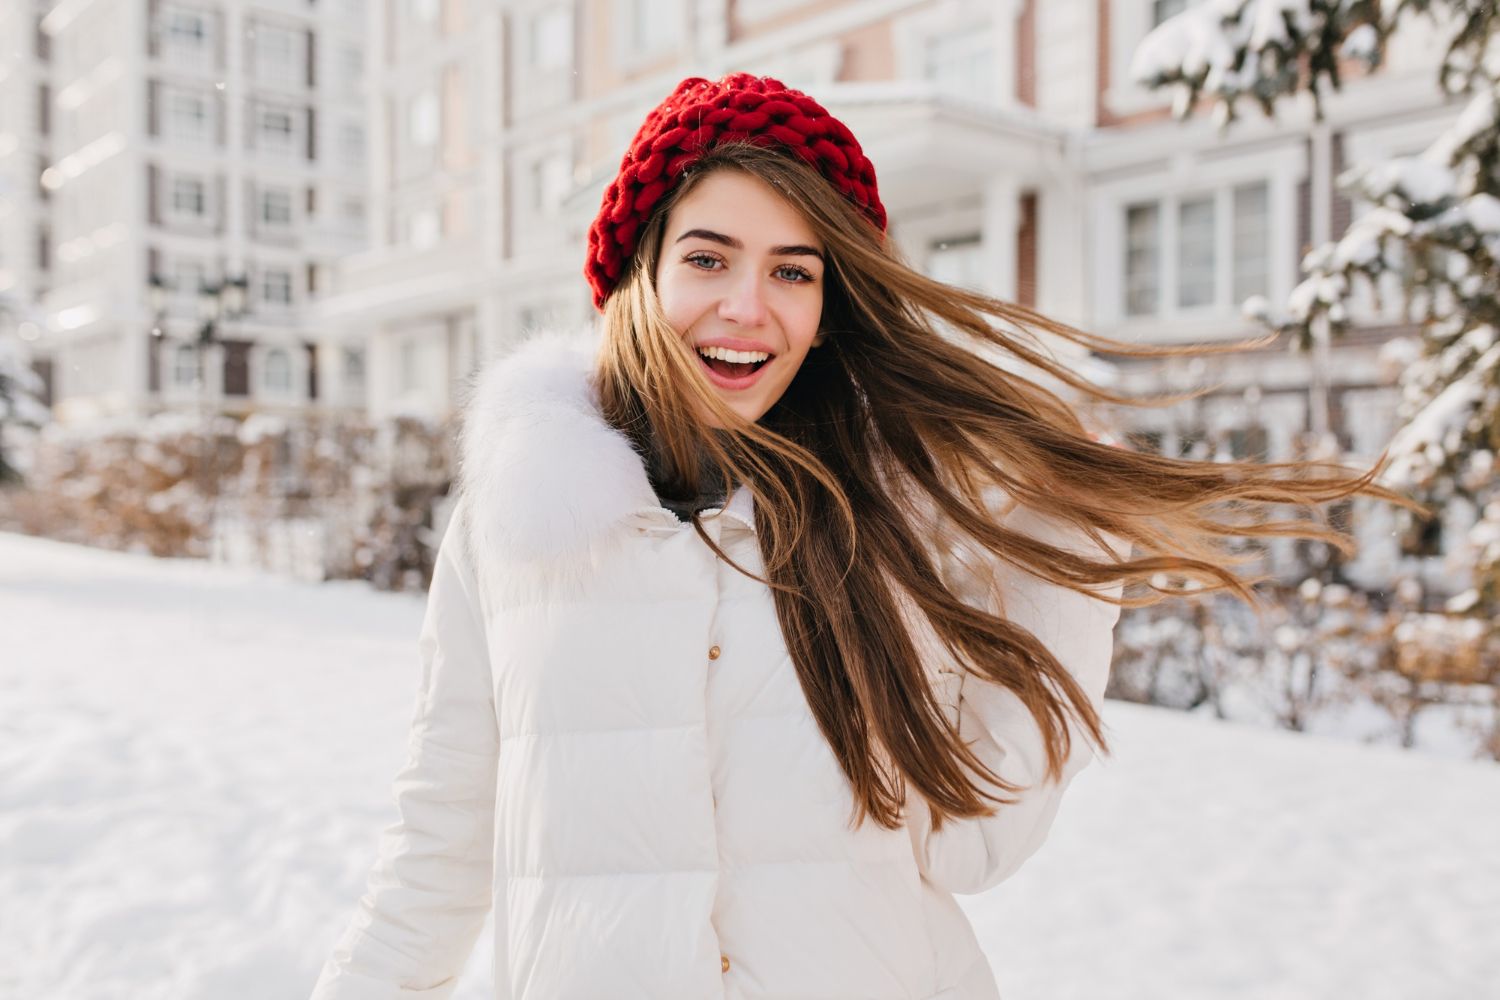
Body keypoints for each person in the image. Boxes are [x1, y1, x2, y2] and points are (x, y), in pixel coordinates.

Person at [309, 73, 1414, 999]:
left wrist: (1066, 564)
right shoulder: (516, 524)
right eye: (708, 256)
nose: (750, 305)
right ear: (635, 272)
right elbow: (440, 848)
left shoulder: (892, 515)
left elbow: (973, 841)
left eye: (795, 270)